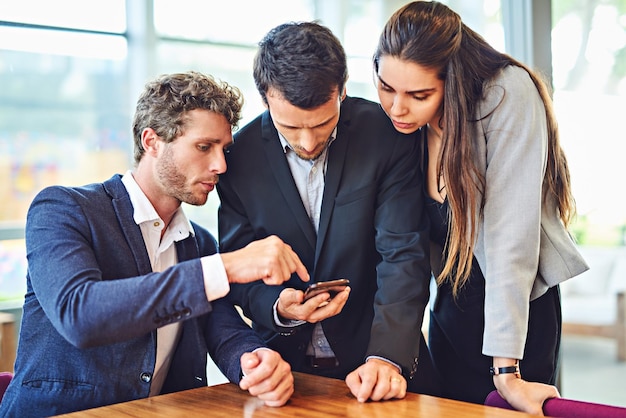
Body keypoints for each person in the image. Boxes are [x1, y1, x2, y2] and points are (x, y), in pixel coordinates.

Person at [0, 71, 309, 417]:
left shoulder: (198, 243)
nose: (220, 165)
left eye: (224, 150)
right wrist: (228, 266)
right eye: (204, 147)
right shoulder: (63, 210)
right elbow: (80, 314)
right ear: (152, 141)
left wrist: (254, 362)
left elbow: (221, 328)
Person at [373, 1, 589, 415]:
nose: (397, 108)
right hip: (452, 309)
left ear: (450, 81)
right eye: (386, 88)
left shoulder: (506, 93)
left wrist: (507, 370)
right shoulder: (405, 126)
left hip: (517, 320)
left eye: (419, 95)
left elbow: (512, 240)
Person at [217, 21, 442, 403]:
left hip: (378, 364)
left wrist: (386, 357)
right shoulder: (236, 157)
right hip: (284, 378)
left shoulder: (387, 136)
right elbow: (238, 267)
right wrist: (278, 307)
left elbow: (403, 254)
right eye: (290, 126)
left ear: (343, 88)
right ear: (265, 98)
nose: (308, 142)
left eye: (322, 123)